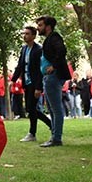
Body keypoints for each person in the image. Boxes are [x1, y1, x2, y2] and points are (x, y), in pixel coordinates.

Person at [35, 15, 71, 147]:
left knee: (55, 108)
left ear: (48, 26)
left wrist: (54, 66)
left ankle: (56, 138)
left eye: (40, 25)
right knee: (51, 107)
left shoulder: (54, 37)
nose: (38, 28)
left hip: (53, 76)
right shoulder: (49, 39)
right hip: (50, 76)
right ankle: (54, 136)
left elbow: (62, 50)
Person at [12, 26, 51, 142]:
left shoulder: (39, 50)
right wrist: (13, 80)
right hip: (27, 82)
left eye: (27, 34)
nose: (25, 36)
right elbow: (20, 65)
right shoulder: (24, 49)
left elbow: (40, 70)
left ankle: (41, 128)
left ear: (34, 36)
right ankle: (36, 132)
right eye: (24, 34)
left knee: (30, 108)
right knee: (31, 108)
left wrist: (38, 87)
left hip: (35, 83)